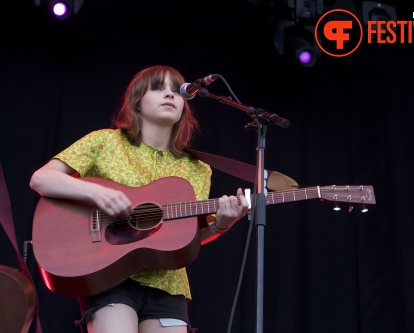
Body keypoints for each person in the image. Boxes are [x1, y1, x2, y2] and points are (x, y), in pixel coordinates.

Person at [29, 65, 249, 333]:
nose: (170, 95)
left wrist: (220, 225)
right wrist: (97, 193)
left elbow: (186, 237)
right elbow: (42, 179)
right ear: (137, 102)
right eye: (158, 89)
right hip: (108, 275)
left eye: (176, 91)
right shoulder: (104, 142)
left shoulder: (198, 169)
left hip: (168, 284)